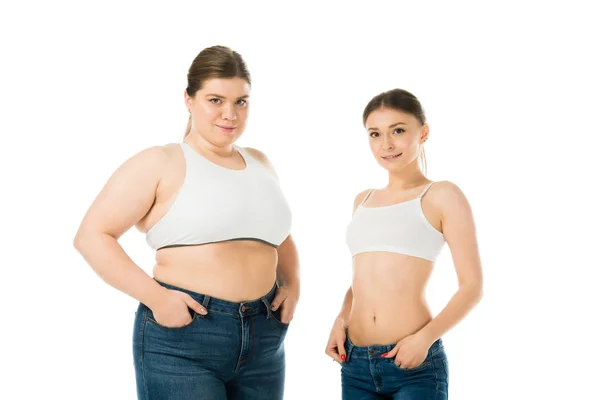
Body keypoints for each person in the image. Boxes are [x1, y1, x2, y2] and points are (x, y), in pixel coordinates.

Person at [73, 45, 299, 400]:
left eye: (241, 101)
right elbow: (92, 236)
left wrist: (293, 282)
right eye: (215, 100)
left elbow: (277, 235)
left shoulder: (260, 162)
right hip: (186, 335)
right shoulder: (161, 162)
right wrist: (158, 300)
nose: (230, 113)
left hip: (265, 337)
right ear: (189, 100)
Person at [325, 89, 483, 399]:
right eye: (375, 134)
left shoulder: (441, 195)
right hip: (355, 364)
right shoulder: (363, 200)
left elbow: (472, 287)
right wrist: (340, 320)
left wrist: (424, 340)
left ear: (423, 132)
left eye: (398, 130)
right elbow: (360, 282)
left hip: (413, 364)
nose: (386, 144)